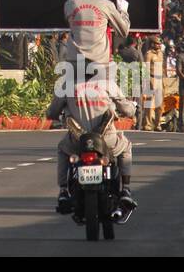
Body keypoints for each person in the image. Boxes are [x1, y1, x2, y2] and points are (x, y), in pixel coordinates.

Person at [47, 61, 138, 217]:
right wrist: (133, 106)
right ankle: (126, 190)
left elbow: (51, 112)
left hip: (78, 141)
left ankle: (63, 191)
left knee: (62, 149)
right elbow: (128, 110)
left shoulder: (68, 86)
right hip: (106, 140)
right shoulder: (108, 85)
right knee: (126, 147)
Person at [61, 0, 130, 77]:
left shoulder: (69, 5)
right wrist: (123, 11)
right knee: (115, 94)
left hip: (74, 66)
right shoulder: (106, 4)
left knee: (61, 94)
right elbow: (124, 31)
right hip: (99, 66)